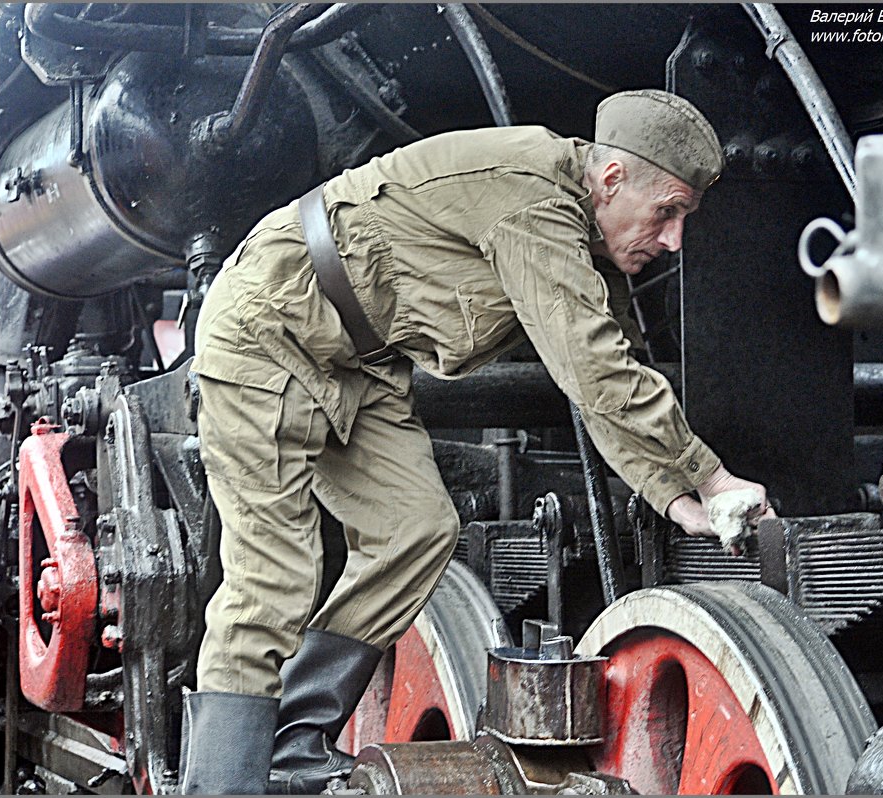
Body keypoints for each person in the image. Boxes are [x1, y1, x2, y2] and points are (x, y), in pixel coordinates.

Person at [181, 89, 774, 795]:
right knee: (273, 578)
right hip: (271, 331)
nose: (673, 238)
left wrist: (680, 498)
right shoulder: (534, 201)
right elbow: (596, 370)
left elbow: (620, 363)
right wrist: (711, 477)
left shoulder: (589, 230)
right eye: (667, 212)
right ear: (611, 179)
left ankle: (291, 745)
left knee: (418, 530)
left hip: (361, 361)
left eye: (683, 219)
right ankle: (219, 785)